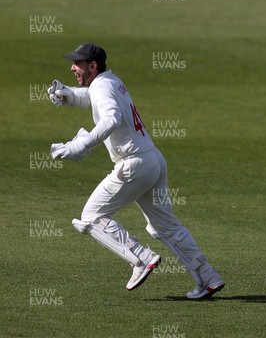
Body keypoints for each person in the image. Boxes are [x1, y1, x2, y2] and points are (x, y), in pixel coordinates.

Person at [47, 43, 224, 298]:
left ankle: (140, 258)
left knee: (90, 217)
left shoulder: (102, 86)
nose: (72, 67)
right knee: (165, 227)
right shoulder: (109, 81)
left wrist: (81, 145)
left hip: (133, 165)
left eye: (78, 63)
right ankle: (208, 276)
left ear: (93, 66)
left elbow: (111, 118)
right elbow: (95, 98)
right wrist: (71, 96)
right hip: (153, 160)